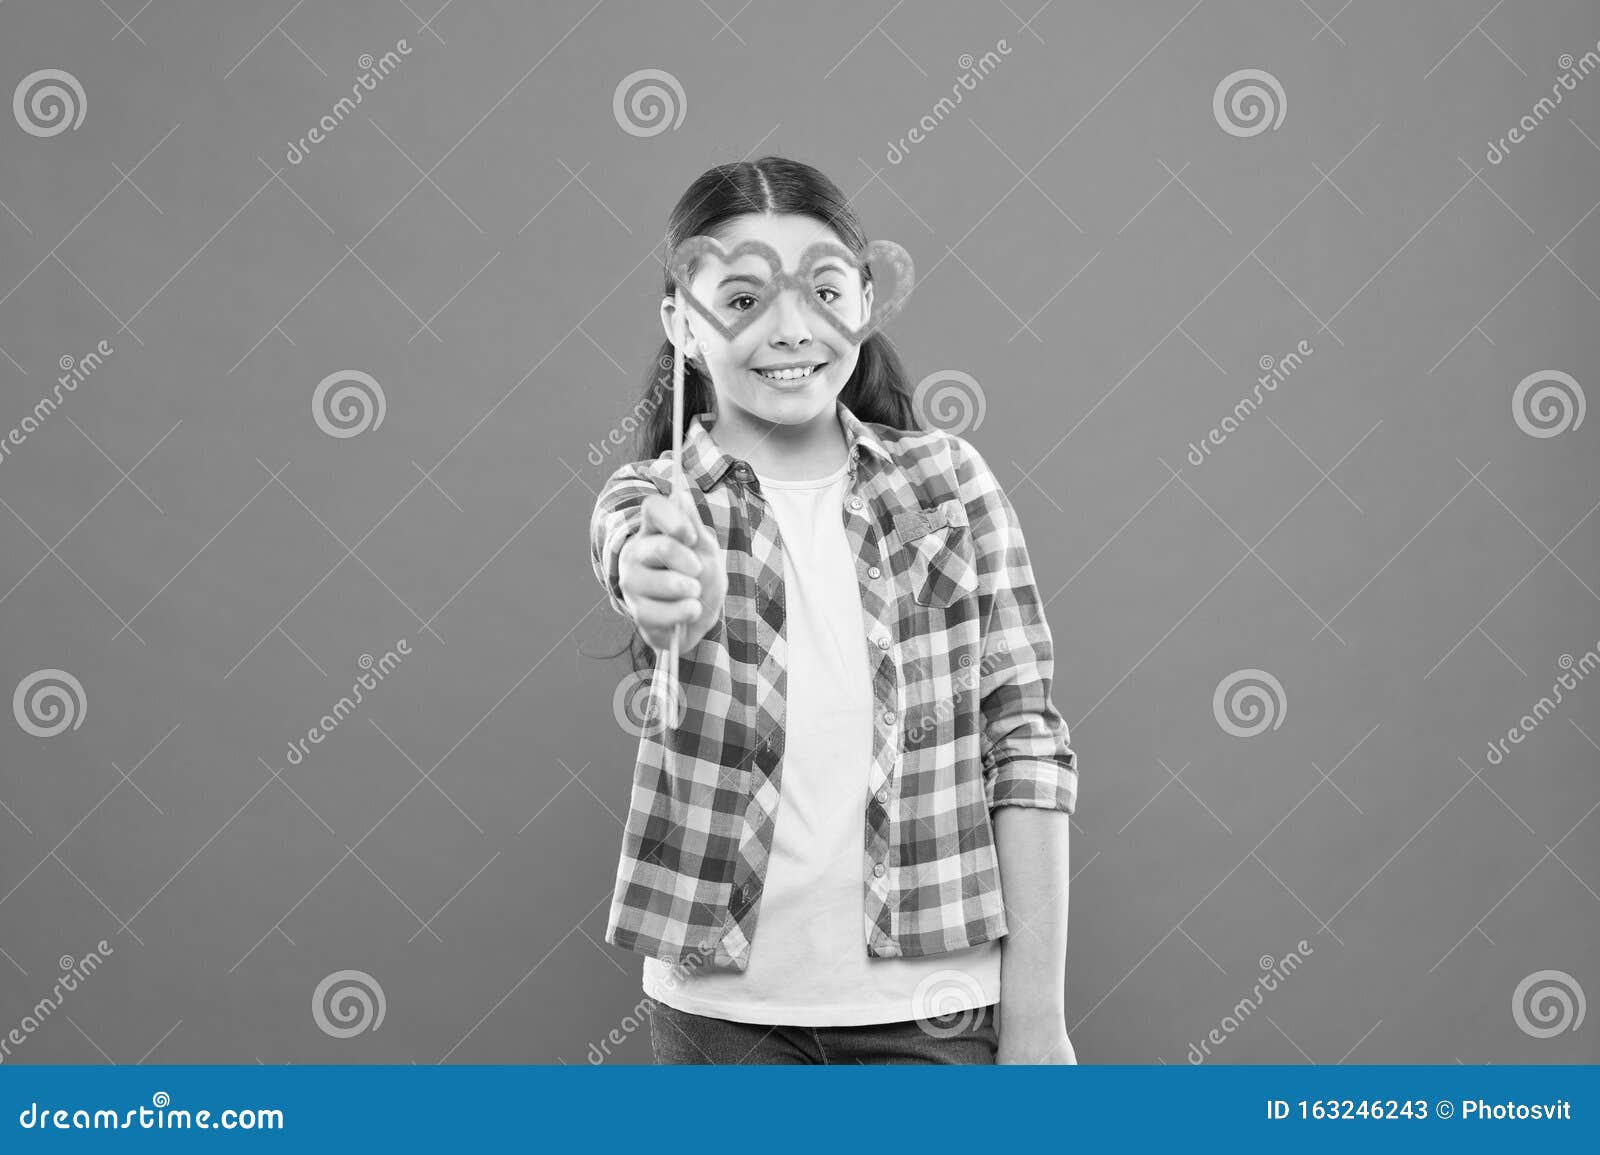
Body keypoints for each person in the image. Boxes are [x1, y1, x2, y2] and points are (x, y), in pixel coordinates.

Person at [588, 156, 1079, 1064]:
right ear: (681, 328)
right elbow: (637, 556)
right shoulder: (654, 500)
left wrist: (1039, 1019)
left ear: (862, 301)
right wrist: (662, 580)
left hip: (935, 1004)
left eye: (823, 289)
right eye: (741, 301)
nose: (791, 328)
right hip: (720, 1021)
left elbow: (1026, 745)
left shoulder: (949, 485)